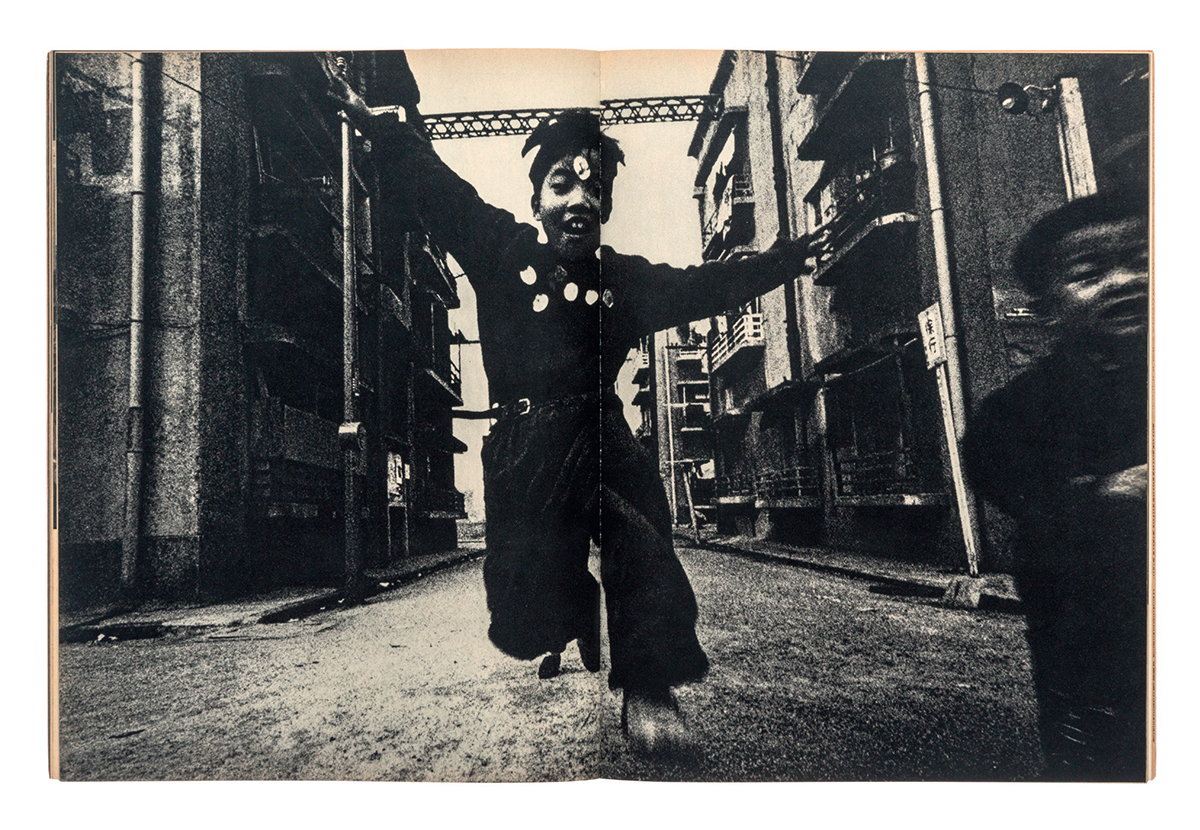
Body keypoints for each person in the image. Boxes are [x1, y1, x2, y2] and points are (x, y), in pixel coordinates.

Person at [326, 66, 821, 755]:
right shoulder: (501, 251)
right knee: (522, 615)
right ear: (537, 200)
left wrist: (787, 259)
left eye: (594, 187)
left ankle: (649, 690)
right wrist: (379, 124)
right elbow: (438, 189)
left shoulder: (624, 282)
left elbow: (708, 283)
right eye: (562, 183)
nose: (579, 198)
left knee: (641, 543)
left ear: (607, 208)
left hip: (600, 438)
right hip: (524, 447)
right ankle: (574, 606)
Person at [964, 189, 1149, 781]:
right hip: (1090, 625)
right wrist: (1101, 493)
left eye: (1143, 258)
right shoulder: (1024, 408)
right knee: (1102, 755)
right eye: (1089, 272)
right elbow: (1001, 471)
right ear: (1047, 309)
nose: (1123, 281)